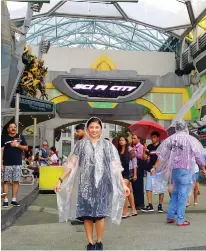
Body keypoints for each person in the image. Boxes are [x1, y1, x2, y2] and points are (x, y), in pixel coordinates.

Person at [54, 117, 130, 250]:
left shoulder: (108, 146)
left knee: (100, 215)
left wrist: (122, 184)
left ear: (101, 129)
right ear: (87, 129)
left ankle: (99, 242)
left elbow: (115, 166)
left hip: (102, 184)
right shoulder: (81, 145)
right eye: (91, 127)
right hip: (85, 185)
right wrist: (60, 179)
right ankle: (90, 242)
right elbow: (71, 164)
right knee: (87, 215)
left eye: (97, 127)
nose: (94, 130)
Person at [151, 120, 206, 226]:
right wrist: (203, 167)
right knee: (183, 195)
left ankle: (170, 216)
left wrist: (155, 167)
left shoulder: (170, 140)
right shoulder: (191, 140)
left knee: (175, 192)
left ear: (176, 127)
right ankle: (180, 219)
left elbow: (163, 156)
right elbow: (198, 155)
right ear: (185, 127)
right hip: (186, 169)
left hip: (175, 170)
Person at [1, 122, 28, 207]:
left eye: (14, 127)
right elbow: (1, 151)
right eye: (11, 127)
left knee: (16, 181)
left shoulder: (20, 137)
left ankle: (14, 200)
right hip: (7, 163)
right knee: (6, 181)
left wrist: (17, 145)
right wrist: (1, 163)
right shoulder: (3, 137)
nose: (13, 129)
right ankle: (5, 200)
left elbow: (26, 148)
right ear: (8, 129)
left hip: (17, 163)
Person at [141, 131, 164, 213]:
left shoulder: (162, 146)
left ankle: (160, 205)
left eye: (154, 137)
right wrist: (144, 150)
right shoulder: (149, 146)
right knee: (148, 187)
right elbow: (145, 158)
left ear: (158, 138)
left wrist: (155, 167)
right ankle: (150, 205)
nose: (153, 139)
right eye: (152, 137)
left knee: (161, 188)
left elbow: (162, 159)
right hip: (149, 169)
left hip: (159, 170)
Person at [118, 136, 137, 218]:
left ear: (126, 141)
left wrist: (135, 174)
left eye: (122, 140)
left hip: (128, 171)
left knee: (124, 190)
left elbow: (134, 162)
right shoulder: (118, 150)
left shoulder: (130, 150)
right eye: (120, 140)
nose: (121, 141)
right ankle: (134, 210)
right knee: (129, 191)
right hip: (121, 172)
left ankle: (124, 211)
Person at [131, 134, 144, 209]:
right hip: (134, 167)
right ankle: (135, 202)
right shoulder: (132, 147)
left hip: (139, 167)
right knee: (134, 186)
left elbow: (141, 156)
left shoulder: (141, 147)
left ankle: (140, 203)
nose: (133, 139)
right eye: (132, 138)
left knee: (139, 185)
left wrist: (134, 152)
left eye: (134, 138)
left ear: (138, 139)